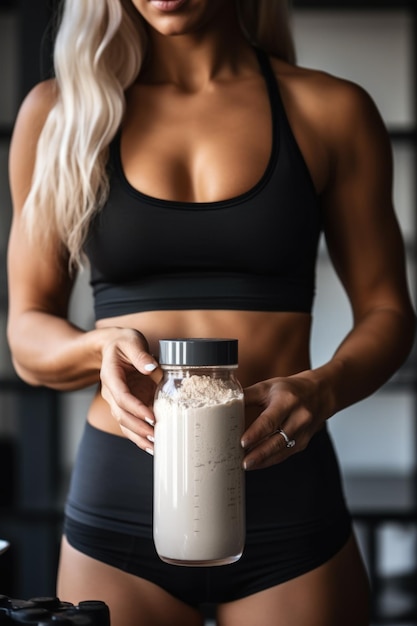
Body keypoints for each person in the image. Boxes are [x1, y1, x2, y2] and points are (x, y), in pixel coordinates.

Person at [7, 0, 416, 624]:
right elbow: (27, 333)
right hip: (122, 504)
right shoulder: (60, 112)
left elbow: (388, 311)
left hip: (284, 496)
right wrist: (97, 348)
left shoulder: (329, 109)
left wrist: (322, 389)